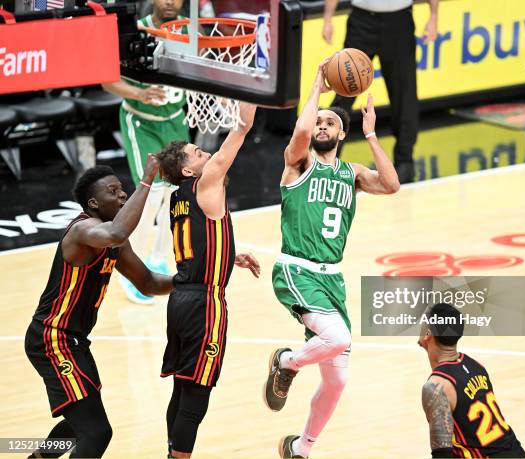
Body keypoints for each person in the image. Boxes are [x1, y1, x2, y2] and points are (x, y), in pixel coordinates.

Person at [263, 60, 400, 459]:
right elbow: (301, 132)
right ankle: (287, 362)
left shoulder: (352, 173)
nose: (321, 126)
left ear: (342, 133)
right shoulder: (298, 163)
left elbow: (391, 185)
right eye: (319, 121)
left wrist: (372, 135)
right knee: (338, 338)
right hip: (296, 269)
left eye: (330, 123)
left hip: (332, 279)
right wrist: (317, 90)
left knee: (338, 380)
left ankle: (300, 448)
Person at [24, 156, 174, 458]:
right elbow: (116, 233)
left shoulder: (114, 243)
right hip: (52, 339)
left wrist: (197, 277)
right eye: (113, 191)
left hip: (74, 341)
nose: (121, 195)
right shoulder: (84, 232)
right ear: (93, 203)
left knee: (78, 421)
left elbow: (147, 282)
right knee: (96, 432)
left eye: (122, 189)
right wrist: (146, 181)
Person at [155, 101, 261, 459]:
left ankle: (171, 452)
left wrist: (229, 256)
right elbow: (242, 128)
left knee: (182, 387)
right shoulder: (206, 182)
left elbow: (196, 242)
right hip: (205, 304)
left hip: (181, 300)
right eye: (197, 153)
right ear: (188, 171)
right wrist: (254, 85)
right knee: (197, 391)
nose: (205, 152)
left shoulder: (177, 198)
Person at [102, 0, 189, 304]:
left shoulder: (192, 31)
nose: (170, 1)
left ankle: (159, 260)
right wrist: (140, 93)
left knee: (176, 198)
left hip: (175, 121)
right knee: (150, 195)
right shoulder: (134, 31)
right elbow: (107, 80)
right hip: (142, 121)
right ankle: (133, 269)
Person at [322, 0, 440, 183]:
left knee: (404, 95)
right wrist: (327, 17)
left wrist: (434, 15)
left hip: (399, 21)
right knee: (343, 94)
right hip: (361, 22)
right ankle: (326, 160)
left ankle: (404, 160)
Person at [418, 303, 525, 458]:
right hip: (516, 452)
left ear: (428, 333)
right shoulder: (476, 366)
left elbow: (442, 455)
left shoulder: (437, 387)